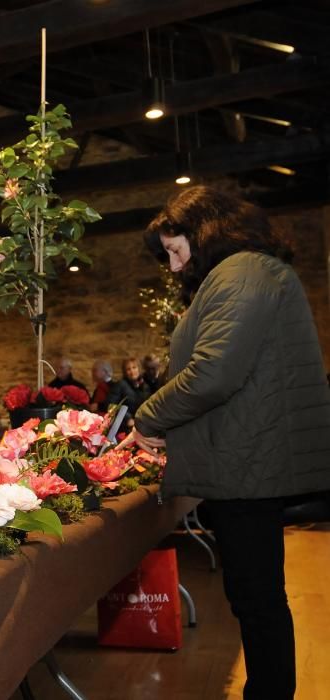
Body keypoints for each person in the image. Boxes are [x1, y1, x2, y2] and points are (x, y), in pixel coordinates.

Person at [122, 186, 330, 700]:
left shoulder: (242, 273)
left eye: (175, 249)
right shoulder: (247, 273)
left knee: (257, 599)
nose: (172, 267)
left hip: (250, 462)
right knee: (255, 597)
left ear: (205, 232)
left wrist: (149, 418)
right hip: (248, 456)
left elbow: (212, 373)